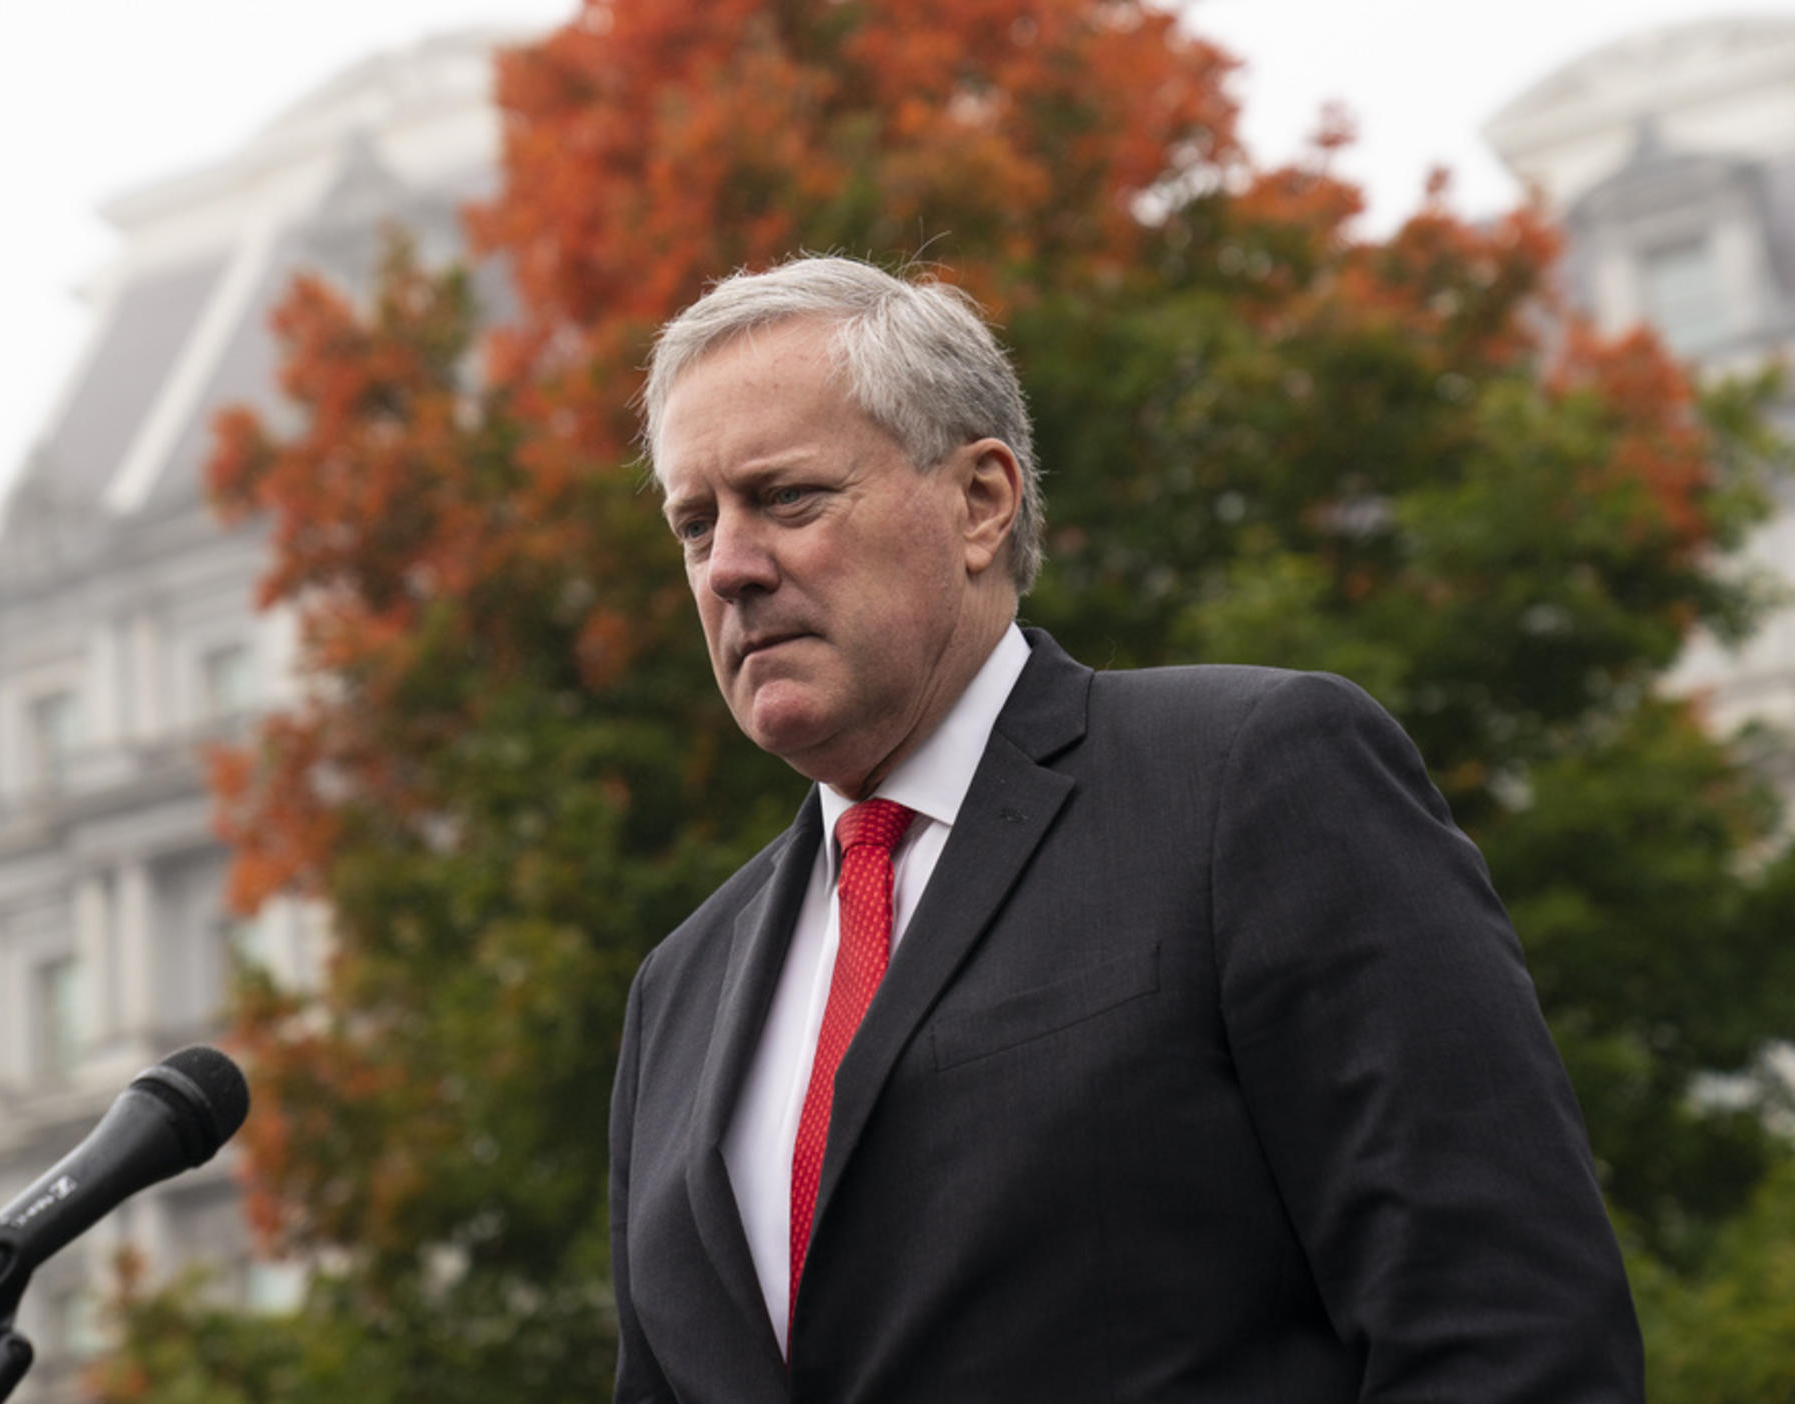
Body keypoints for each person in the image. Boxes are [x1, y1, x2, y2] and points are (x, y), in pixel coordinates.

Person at [609, 255, 1642, 1402]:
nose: (732, 569)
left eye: (787, 498)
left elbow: (1506, 1329)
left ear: (980, 502)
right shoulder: (677, 990)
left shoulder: (1248, 781)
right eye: (695, 527)